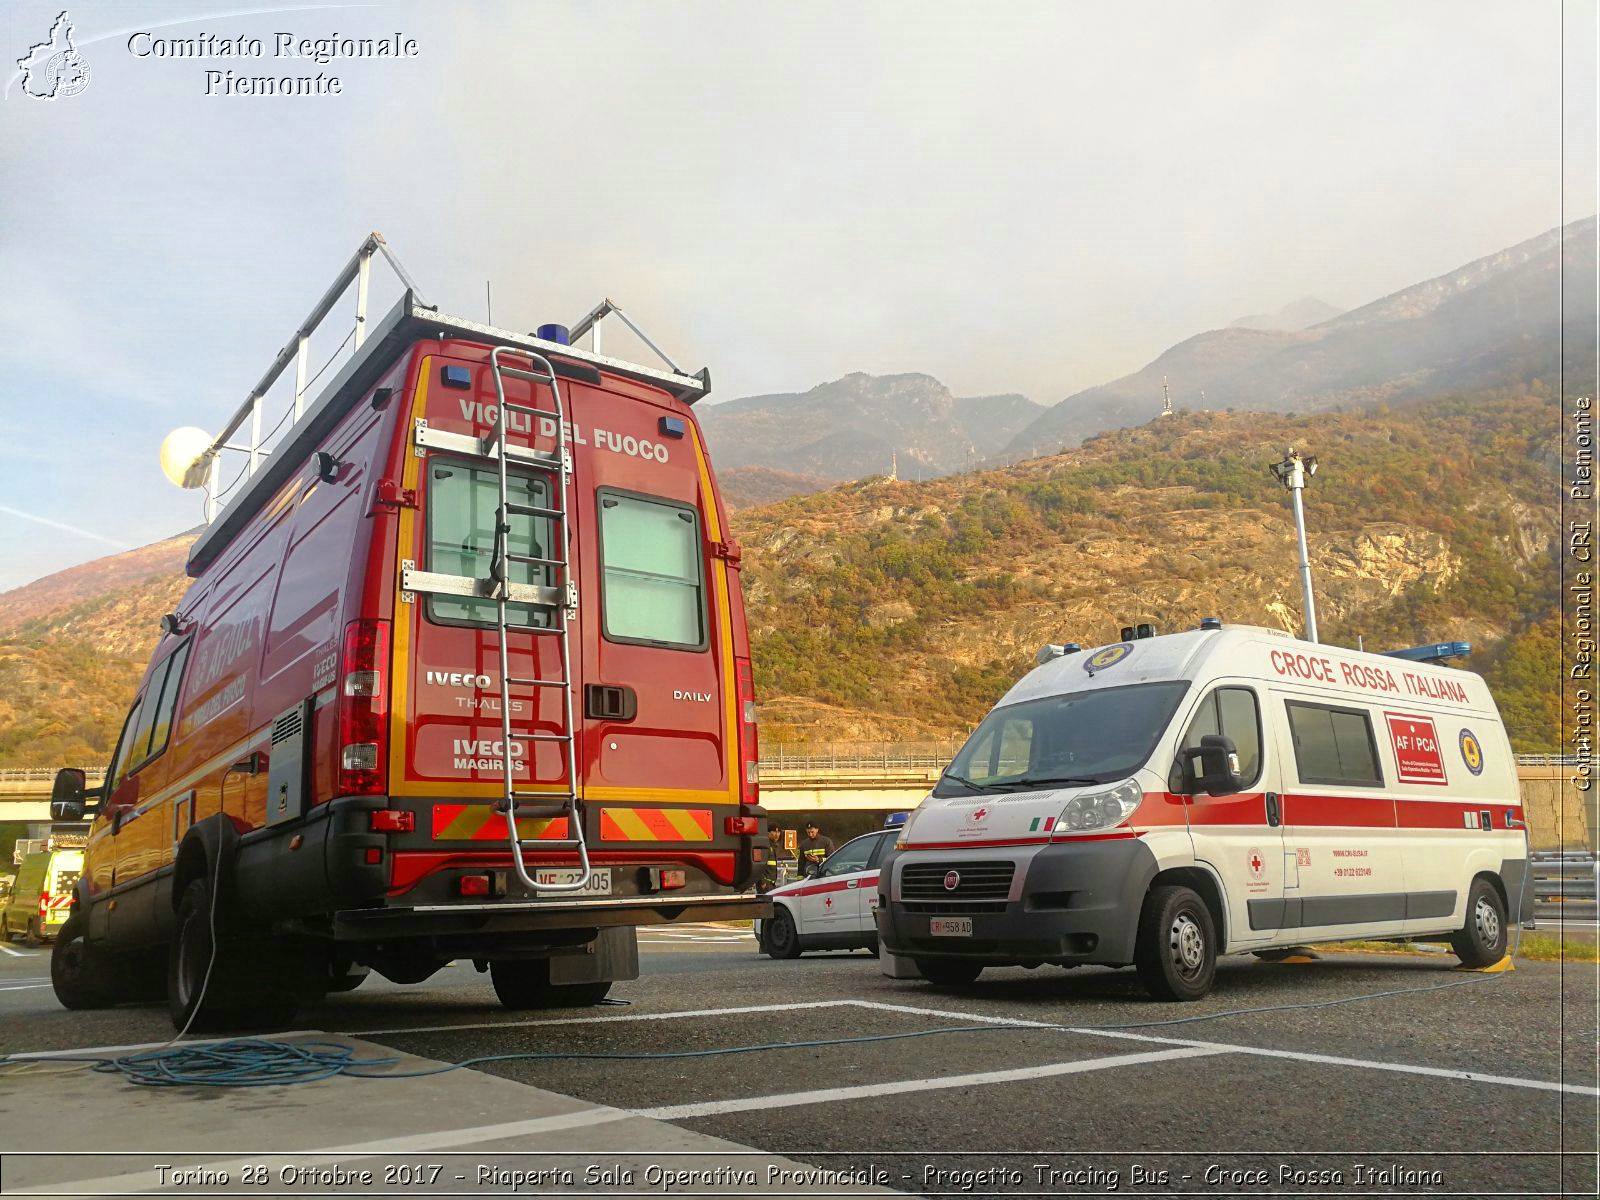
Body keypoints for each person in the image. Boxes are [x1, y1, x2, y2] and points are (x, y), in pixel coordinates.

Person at [760, 827, 796, 893]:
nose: (777, 834)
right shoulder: (764, 846)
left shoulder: (773, 846)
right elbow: (759, 865)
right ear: (768, 833)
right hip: (766, 885)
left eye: (779, 832)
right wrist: (762, 882)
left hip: (771, 884)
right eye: (774, 832)